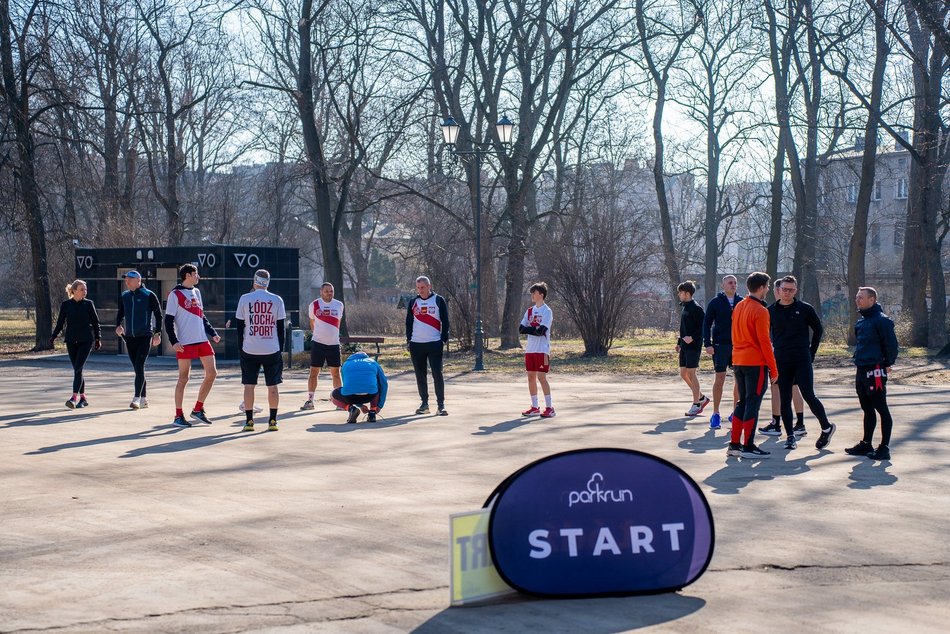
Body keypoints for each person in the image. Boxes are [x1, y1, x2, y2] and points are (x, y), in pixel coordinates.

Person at [765, 276, 837, 451]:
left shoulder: (804, 309)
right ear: (779, 290)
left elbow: (818, 329)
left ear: (796, 290)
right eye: (784, 289)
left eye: (791, 290)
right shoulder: (770, 311)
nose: (787, 293)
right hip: (781, 359)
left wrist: (811, 352)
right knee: (784, 398)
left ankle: (826, 428)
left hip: (802, 357)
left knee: (808, 394)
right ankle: (790, 436)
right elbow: (765, 336)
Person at [728, 272, 778, 459]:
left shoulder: (739, 306)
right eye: (767, 287)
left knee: (742, 402)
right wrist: (773, 368)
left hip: (738, 360)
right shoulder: (761, 311)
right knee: (753, 403)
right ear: (763, 287)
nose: (768, 290)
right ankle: (748, 445)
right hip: (754, 362)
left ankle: (734, 444)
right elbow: (765, 342)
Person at [845, 287, 898, 460]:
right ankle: (866, 443)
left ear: (872, 300)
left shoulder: (882, 321)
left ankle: (884, 448)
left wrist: (887, 364)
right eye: (856, 297)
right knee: (867, 409)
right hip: (861, 369)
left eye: (861, 297)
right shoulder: (861, 321)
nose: (857, 300)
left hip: (875, 370)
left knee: (881, 408)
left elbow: (891, 346)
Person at [164, 264, 220, 427]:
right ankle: (178, 415)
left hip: (202, 339)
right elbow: (168, 320)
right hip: (185, 342)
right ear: (187, 275)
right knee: (183, 378)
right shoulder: (175, 294)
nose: (198, 277)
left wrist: (213, 333)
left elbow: (201, 316)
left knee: (212, 373)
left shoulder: (197, 292)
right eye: (196, 274)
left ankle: (198, 409)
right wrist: (174, 341)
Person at [234, 270, 286, 432]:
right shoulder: (277, 300)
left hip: (249, 348)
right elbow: (280, 329)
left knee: (249, 386)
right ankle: (272, 421)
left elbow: (240, 327)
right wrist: (280, 350)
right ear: (268, 282)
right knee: (273, 386)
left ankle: (249, 422)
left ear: (254, 281)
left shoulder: (244, 299)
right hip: (271, 349)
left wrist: (241, 348)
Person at [762, 277, 806, 437]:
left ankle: (776, 423)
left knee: (777, 387)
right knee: (794, 388)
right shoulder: (779, 309)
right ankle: (799, 423)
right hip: (791, 355)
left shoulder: (775, 310)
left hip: (782, 356)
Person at [114, 271, 162, 409]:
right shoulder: (125, 296)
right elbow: (120, 313)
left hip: (145, 336)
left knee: (140, 365)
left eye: (129, 279)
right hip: (130, 337)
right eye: (126, 279)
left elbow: (159, 315)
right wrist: (118, 325)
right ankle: (144, 398)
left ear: (138, 280)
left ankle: (136, 398)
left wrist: (157, 333)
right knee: (137, 368)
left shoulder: (149, 295)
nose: (127, 282)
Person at [50, 280, 101, 408]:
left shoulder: (89, 304)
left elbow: (96, 323)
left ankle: (73, 398)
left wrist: (98, 339)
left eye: (85, 289)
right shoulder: (66, 305)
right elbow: (60, 323)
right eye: (82, 289)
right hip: (71, 341)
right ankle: (83, 398)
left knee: (78, 368)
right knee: (78, 370)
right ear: (74, 291)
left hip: (86, 341)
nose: (85, 291)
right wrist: (54, 336)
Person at [702, 274, 742, 429]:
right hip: (720, 346)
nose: (733, 285)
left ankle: (735, 413)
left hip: (738, 347)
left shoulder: (742, 302)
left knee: (739, 380)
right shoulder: (715, 302)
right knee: (720, 378)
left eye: (735, 283)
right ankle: (716, 414)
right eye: (730, 283)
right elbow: (706, 324)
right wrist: (708, 344)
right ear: (723, 286)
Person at [406, 276, 450, 416]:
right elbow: (408, 322)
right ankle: (424, 404)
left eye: (423, 287)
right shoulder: (413, 302)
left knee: (437, 373)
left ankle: (440, 405)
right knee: (420, 375)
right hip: (416, 344)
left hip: (434, 343)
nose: (420, 290)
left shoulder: (438, 300)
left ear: (429, 286)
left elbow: (445, 321)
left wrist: (443, 339)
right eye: (418, 288)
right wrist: (409, 340)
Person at [302, 282, 344, 411]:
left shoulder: (339, 305)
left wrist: (331, 336)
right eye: (326, 291)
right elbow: (312, 323)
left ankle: (339, 401)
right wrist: (320, 336)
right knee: (314, 372)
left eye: (331, 291)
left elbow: (338, 323)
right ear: (321, 292)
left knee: (336, 373)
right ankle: (310, 400)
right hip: (318, 343)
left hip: (334, 344)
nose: (329, 293)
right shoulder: (314, 305)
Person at [519, 282, 555, 418]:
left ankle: (550, 407)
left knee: (541, 377)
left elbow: (542, 331)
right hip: (530, 350)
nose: (532, 295)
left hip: (542, 349)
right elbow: (521, 329)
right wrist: (534, 329)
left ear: (541, 294)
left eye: (534, 293)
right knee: (531, 377)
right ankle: (535, 407)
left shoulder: (547, 311)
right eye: (531, 293)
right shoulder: (529, 311)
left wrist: (533, 329)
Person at [676, 281, 709, 417]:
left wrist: (693, 338)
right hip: (684, 346)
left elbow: (703, 327)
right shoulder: (685, 307)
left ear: (687, 293)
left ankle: (696, 404)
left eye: (680, 292)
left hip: (693, 347)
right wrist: (679, 342)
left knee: (691, 373)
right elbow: (683, 328)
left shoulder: (696, 308)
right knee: (683, 374)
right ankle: (701, 397)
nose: (679, 294)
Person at [330, 351, 388, 423]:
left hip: (350, 397)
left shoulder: (345, 364)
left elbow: (349, 386)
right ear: (366, 356)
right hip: (370, 395)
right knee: (376, 386)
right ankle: (372, 412)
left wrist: (360, 406)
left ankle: (351, 409)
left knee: (333, 395)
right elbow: (384, 384)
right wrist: (380, 406)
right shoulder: (373, 362)